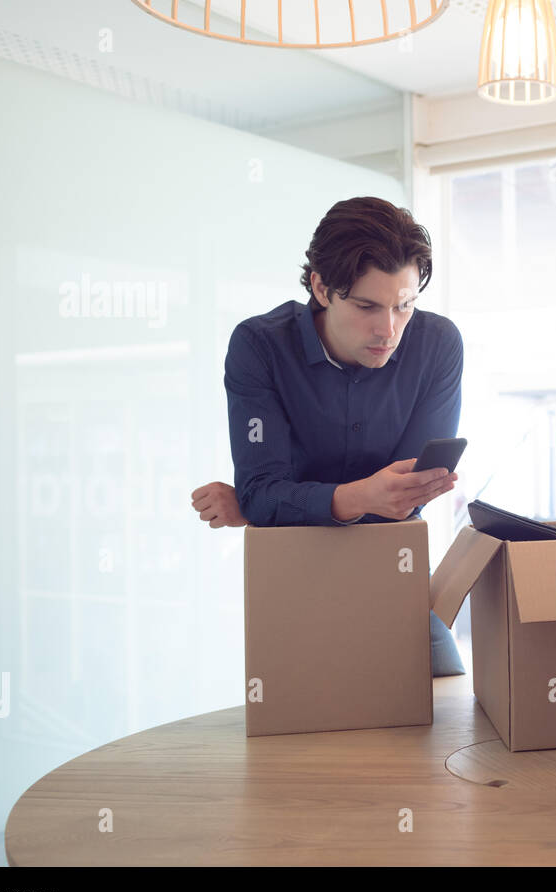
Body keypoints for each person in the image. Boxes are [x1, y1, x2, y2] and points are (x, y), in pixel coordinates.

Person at [191, 196, 466, 676]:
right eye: (367, 306)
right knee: (303, 733)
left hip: (393, 572)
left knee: (445, 710)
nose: (389, 329)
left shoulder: (438, 344)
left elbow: (404, 499)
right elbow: (262, 495)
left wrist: (279, 504)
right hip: (295, 576)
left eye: (404, 306)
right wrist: (358, 496)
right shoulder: (259, 348)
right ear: (320, 286)